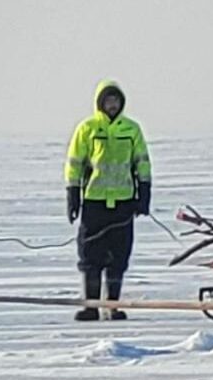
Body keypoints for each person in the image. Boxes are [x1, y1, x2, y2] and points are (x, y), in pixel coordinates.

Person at [64, 80, 152, 321]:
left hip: (123, 203)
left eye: (116, 101)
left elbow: (142, 163)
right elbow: (74, 164)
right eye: (108, 101)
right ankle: (91, 305)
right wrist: (73, 195)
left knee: (119, 256)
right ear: (100, 103)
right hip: (94, 202)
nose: (112, 105)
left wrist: (144, 194)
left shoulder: (131, 129)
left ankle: (112, 305)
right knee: (91, 256)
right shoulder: (88, 128)